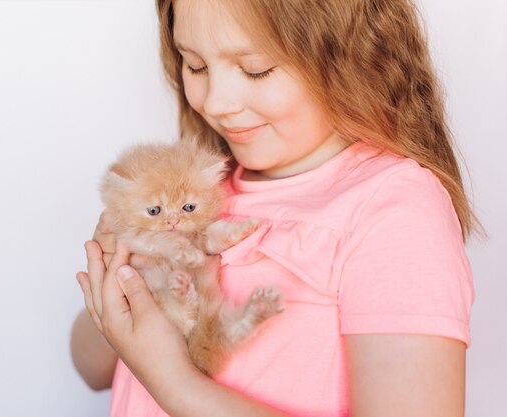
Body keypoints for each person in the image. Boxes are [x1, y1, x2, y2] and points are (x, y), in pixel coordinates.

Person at [71, 0, 476, 415]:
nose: (216, 103)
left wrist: (169, 376)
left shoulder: (393, 211)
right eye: (195, 65)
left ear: (351, 56)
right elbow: (92, 368)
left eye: (255, 69)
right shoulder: (196, 190)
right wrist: (119, 283)